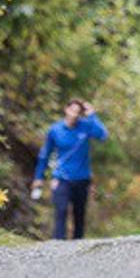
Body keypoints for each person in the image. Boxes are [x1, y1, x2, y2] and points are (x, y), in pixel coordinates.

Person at [31, 99, 108, 240]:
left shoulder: (85, 126)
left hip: (82, 178)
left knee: (79, 215)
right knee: (61, 211)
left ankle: (78, 244)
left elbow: (102, 135)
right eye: (72, 110)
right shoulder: (55, 130)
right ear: (66, 110)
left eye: (78, 112)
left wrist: (92, 115)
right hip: (62, 178)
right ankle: (59, 244)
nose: (74, 115)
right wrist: (38, 177)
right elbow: (45, 155)